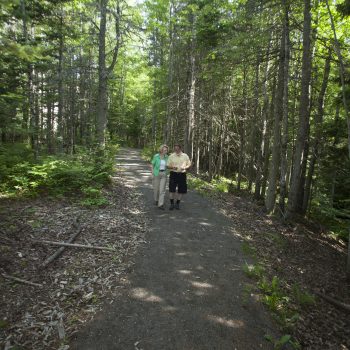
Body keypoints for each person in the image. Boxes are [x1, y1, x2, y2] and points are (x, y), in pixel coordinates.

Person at [167, 144, 191, 210]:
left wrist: (185, 167)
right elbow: (167, 166)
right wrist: (172, 167)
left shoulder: (185, 156)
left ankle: (177, 204)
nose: (176, 150)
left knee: (181, 190)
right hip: (173, 174)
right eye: (175, 149)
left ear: (180, 149)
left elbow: (189, 164)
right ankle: (172, 204)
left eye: (177, 149)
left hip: (182, 175)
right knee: (172, 190)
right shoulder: (171, 156)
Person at [151, 144, 169, 210]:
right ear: (161, 150)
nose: (165, 151)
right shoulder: (156, 156)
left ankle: (160, 204)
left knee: (162, 190)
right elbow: (152, 165)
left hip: (164, 174)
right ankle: (156, 200)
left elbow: (169, 165)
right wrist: (152, 174)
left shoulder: (167, 157)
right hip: (156, 173)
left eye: (166, 150)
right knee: (156, 189)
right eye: (164, 150)